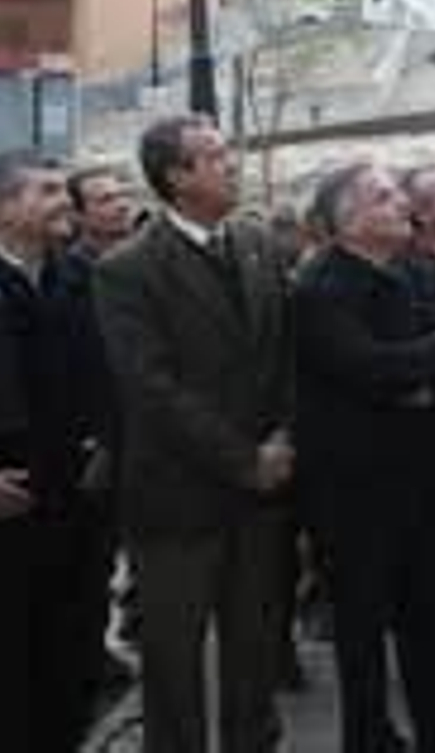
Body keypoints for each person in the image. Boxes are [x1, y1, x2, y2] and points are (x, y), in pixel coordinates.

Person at [93, 117, 297, 753]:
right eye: (213, 157)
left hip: (264, 494)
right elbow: (152, 389)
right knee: (175, 665)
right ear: (176, 178)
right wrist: (244, 459)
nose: (231, 163)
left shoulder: (258, 242)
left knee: (254, 649)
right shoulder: (129, 269)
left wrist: (285, 438)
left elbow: (286, 353)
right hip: (178, 501)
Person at [293, 163, 435, 753]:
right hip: (355, 495)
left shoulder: (417, 269)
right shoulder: (320, 287)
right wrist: (424, 358)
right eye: (385, 196)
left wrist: (421, 364)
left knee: (432, 623)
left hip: (426, 481)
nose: (402, 204)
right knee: (362, 633)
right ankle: (369, 739)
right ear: (349, 220)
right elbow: (366, 367)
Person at [0, 151, 103, 753]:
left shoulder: (78, 278)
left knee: (71, 658)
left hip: (75, 507)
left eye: (65, 188)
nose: (66, 200)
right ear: (1, 207)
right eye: (47, 190)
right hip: (2, 513)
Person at [59, 165, 139, 698]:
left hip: (142, 433)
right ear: (80, 214)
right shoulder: (71, 275)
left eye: (121, 195)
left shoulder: (139, 263)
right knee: (89, 560)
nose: (119, 205)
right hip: (98, 438)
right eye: (104, 199)